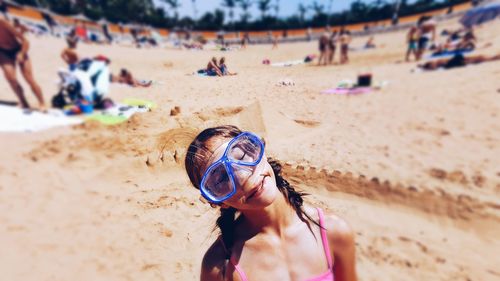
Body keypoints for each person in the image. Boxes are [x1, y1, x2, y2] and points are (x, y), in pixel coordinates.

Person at [185, 125, 357, 281]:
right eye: (222, 178)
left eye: (242, 155)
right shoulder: (219, 267)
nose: (244, 178)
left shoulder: (333, 232)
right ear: (219, 202)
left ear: (260, 147)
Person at [0, 18, 45, 110]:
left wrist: (22, 53)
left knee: (29, 79)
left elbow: (25, 41)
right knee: (11, 79)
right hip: (3, 52)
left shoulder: (2, 21)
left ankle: (42, 102)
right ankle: (23, 102)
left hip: (18, 49)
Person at [417, 53, 500, 71]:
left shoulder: (435, 63)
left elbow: (432, 67)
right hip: (453, 61)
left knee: (477, 58)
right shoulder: (435, 63)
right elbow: (433, 68)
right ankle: (494, 57)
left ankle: (494, 57)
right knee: (477, 59)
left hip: (454, 62)